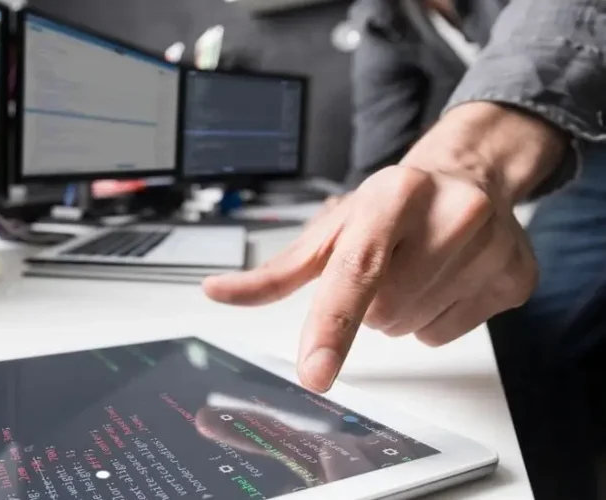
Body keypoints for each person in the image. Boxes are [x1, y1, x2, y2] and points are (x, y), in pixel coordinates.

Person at [202, 0, 606, 497]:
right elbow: (378, 146)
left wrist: (470, 158)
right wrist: (355, 207)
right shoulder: (381, 17)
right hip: (559, 160)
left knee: (531, 330)